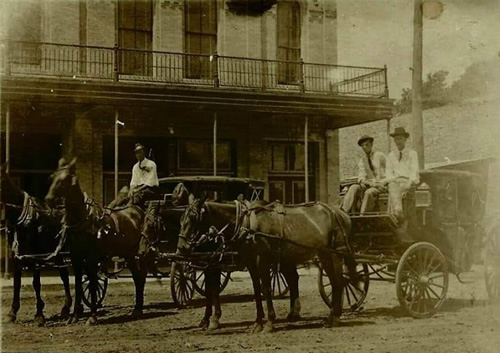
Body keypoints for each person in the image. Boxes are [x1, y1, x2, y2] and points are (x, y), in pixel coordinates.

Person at [341, 135, 387, 214]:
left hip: (381, 185)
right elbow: (361, 177)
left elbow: (390, 171)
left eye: (367, 145)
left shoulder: (380, 156)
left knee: (368, 193)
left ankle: (363, 215)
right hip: (369, 184)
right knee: (353, 187)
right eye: (362, 146)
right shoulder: (362, 160)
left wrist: (382, 183)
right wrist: (368, 183)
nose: (364, 147)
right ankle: (343, 212)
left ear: (371, 145)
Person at [383, 127, 420, 222]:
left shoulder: (412, 154)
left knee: (399, 188)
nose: (397, 141)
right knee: (392, 186)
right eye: (396, 139)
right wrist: (392, 180)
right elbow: (388, 172)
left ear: (405, 139)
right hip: (395, 182)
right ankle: (397, 212)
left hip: (407, 181)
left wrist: (409, 182)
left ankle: (398, 213)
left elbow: (414, 170)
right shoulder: (391, 155)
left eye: (400, 139)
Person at [129, 143, 159, 208]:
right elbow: (134, 181)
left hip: (150, 189)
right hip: (138, 189)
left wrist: (137, 190)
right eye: (136, 153)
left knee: (137, 196)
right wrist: (131, 190)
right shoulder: (135, 167)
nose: (138, 155)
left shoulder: (151, 164)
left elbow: (149, 182)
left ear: (144, 153)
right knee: (124, 193)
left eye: (140, 152)